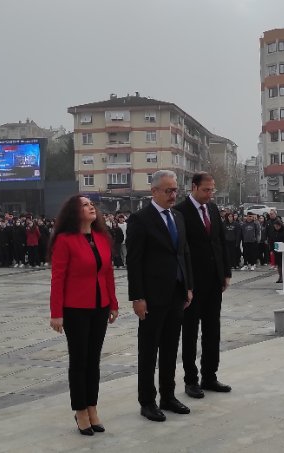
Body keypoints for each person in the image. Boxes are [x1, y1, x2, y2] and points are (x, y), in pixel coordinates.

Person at [126, 169, 194, 423]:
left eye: (175, 190)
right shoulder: (140, 219)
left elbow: (183, 253)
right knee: (149, 350)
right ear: (154, 191)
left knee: (169, 348)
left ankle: (168, 395)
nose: (173, 195)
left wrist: (188, 286)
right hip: (152, 297)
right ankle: (147, 401)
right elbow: (134, 261)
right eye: (168, 190)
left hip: (176, 293)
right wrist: (137, 297)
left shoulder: (177, 217)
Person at [49, 195, 119, 436]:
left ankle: (92, 406)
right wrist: (56, 313)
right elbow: (57, 278)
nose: (91, 208)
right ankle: (80, 410)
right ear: (74, 212)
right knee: (79, 361)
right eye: (85, 205)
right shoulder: (64, 240)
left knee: (94, 360)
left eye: (92, 205)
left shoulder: (101, 237)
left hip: (100, 305)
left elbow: (108, 273)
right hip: (75, 307)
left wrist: (113, 303)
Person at [174, 172, 232, 400]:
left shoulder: (213, 210)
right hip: (192, 284)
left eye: (212, 190)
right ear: (194, 187)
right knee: (190, 332)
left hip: (214, 281)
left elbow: (219, 242)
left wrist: (225, 272)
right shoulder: (181, 211)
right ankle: (191, 380)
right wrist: (186, 282)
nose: (210, 194)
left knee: (212, 330)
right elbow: (181, 250)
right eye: (206, 190)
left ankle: (210, 375)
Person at [268, 219, 284, 283]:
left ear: (280, 225)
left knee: (283, 264)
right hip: (276, 250)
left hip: (283, 250)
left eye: (277, 226)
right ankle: (280, 276)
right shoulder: (273, 232)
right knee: (279, 265)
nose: (276, 228)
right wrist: (271, 249)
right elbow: (271, 240)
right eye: (275, 226)